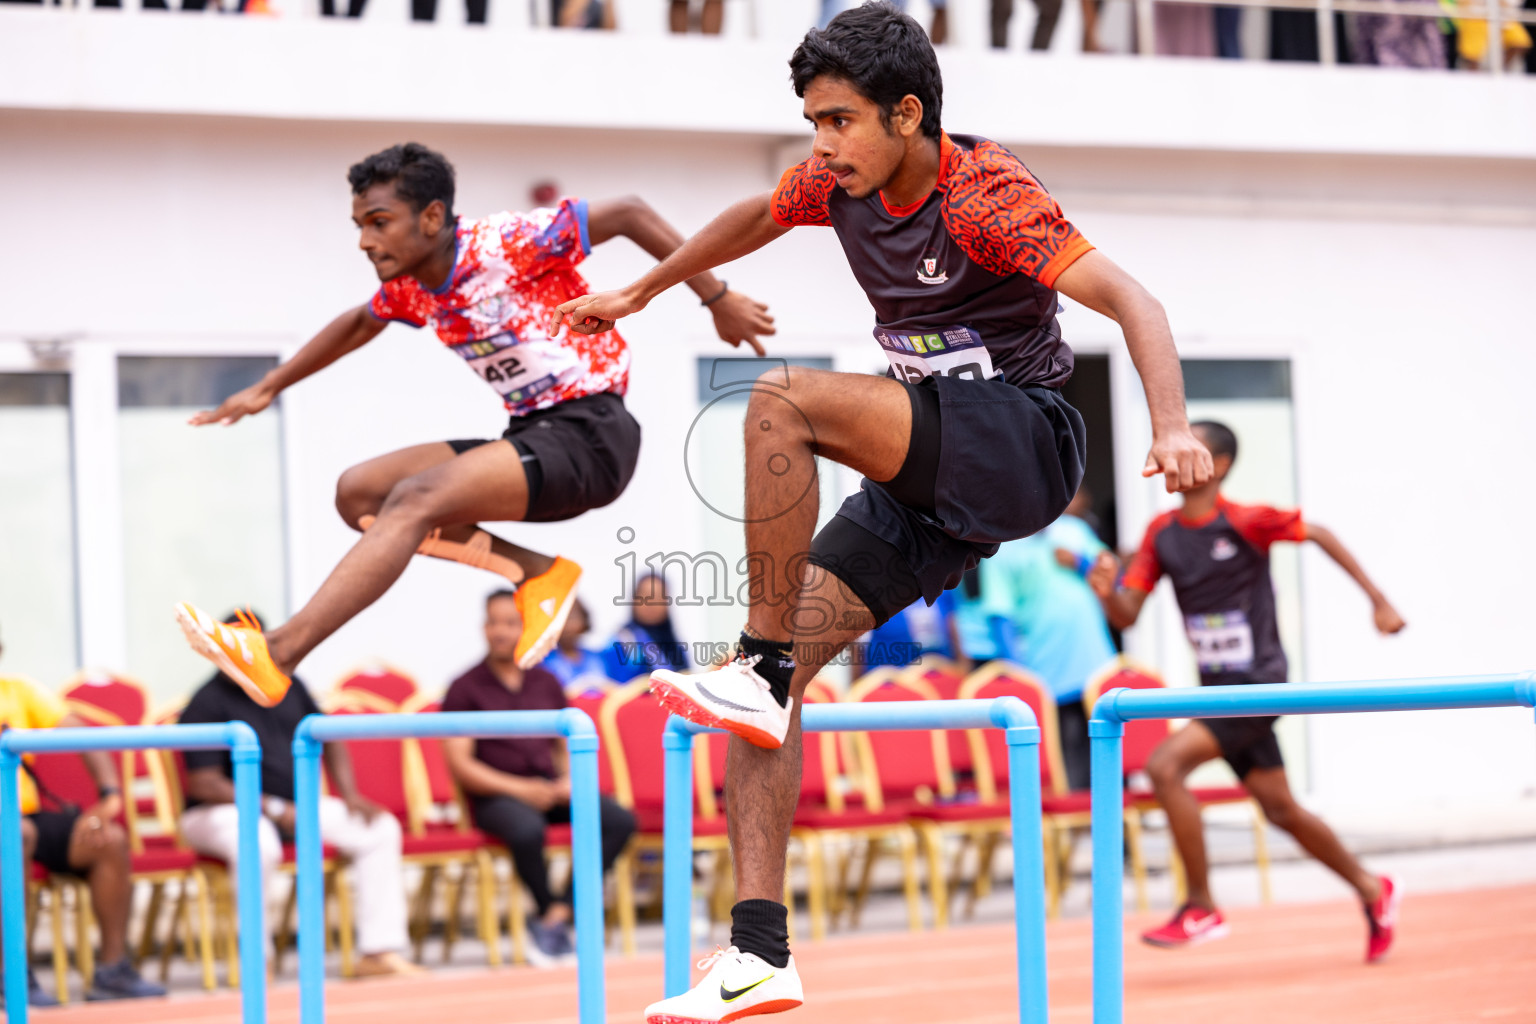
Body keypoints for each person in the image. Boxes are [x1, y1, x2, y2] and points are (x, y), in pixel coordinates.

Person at [553, 5, 1213, 1018]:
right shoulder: (832, 179)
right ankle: (758, 951)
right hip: (935, 480)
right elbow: (752, 215)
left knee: (781, 404)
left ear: (909, 114)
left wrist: (1168, 426)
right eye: (813, 121)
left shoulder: (987, 193)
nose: (823, 146)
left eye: (841, 122)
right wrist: (655, 291)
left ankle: (761, 675)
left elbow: (1137, 301)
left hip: (1024, 437)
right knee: (766, 673)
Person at [173, 143, 773, 709]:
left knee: (413, 500)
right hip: (533, 436)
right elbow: (359, 323)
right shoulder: (414, 287)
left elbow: (628, 213)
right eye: (358, 224)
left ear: (432, 217)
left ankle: (279, 651)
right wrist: (268, 387)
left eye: (378, 222)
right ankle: (535, 572)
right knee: (360, 495)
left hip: (593, 434)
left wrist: (715, 296)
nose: (364, 241)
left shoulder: (506, 241)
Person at [1087, 420, 1406, 961]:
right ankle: (1374, 889)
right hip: (1217, 689)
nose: (1171, 461)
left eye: (1190, 452)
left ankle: (1200, 904)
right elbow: (1128, 613)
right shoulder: (1160, 535)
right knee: (1280, 809)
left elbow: (1321, 533)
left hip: (1259, 684)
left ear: (1220, 466)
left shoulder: (1247, 521)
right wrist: (1104, 594)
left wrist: (1378, 600)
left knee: (1166, 768)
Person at [178, 614, 421, 978]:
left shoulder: (287, 685)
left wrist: (349, 794)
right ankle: (258, 962)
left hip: (292, 807)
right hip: (220, 813)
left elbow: (326, 735)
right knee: (256, 840)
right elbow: (204, 783)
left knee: (378, 828)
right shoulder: (204, 703)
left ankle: (379, 951)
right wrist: (273, 809)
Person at [441, 591, 636, 965]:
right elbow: (461, 765)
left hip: (547, 789)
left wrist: (566, 780)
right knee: (526, 830)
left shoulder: (546, 682)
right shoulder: (464, 687)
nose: (500, 631)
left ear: (527, 628)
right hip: (496, 796)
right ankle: (552, 913)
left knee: (617, 820)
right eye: (493, 622)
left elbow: (562, 745)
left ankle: (557, 916)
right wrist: (521, 790)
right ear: (484, 627)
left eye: (510, 623)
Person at [0, 644, 166, 1004]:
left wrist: (108, 796)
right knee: (15, 834)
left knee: (107, 839)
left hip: (23, 814)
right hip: (12, 829)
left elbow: (81, 734)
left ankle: (112, 972)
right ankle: (8, 973)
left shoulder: (16, 690)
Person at [984, 485, 1116, 790]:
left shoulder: (1074, 530)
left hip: (1096, 665)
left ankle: (1116, 836)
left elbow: (1115, 579)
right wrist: (1020, 677)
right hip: (1047, 673)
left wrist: (1081, 562)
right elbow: (999, 616)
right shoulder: (999, 548)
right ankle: (1070, 833)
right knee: (1065, 763)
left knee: (1109, 755)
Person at [849, 589, 963, 676]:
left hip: (938, 677)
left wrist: (964, 670)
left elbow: (955, 633)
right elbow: (856, 646)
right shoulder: (873, 589)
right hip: (887, 682)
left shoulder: (943, 585)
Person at [600, 573, 689, 681]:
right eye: (645, 596)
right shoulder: (620, 642)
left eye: (658, 597)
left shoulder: (676, 647)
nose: (651, 603)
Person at [539, 598, 614, 693]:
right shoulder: (545, 661)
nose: (567, 625)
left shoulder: (597, 659)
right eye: (561, 618)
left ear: (584, 621)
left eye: (572, 617)